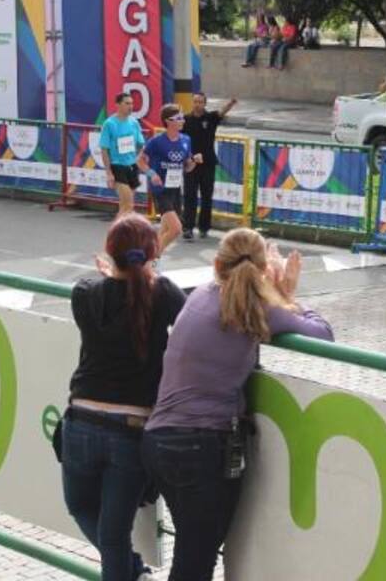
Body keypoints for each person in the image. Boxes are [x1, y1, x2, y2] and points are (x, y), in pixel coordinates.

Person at [142, 229, 334, 580]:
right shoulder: (258, 307)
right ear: (263, 269)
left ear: (217, 264)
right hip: (203, 448)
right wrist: (286, 296)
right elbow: (323, 333)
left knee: (191, 553)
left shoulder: (200, 296)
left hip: (160, 439)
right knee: (194, 562)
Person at [62, 214, 186, 581]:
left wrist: (112, 275)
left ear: (109, 253)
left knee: (81, 508)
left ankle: (134, 572)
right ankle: (132, 572)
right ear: (151, 255)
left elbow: (106, 288)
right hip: (132, 428)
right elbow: (188, 319)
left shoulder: (85, 293)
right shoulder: (162, 293)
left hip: (81, 420)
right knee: (115, 533)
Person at [138, 104, 202, 253]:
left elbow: (187, 167)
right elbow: (140, 161)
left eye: (182, 117)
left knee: (165, 229)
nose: (182, 121)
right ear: (168, 121)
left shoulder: (186, 140)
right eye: (178, 118)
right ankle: (152, 258)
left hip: (175, 189)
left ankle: (149, 256)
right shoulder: (157, 142)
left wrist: (194, 161)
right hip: (160, 190)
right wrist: (152, 174)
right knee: (176, 229)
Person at [183, 93, 237, 241]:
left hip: (208, 164)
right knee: (190, 196)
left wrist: (231, 103)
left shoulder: (210, 118)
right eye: (195, 101)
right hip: (191, 164)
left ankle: (204, 228)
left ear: (205, 103)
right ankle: (188, 228)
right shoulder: (185, 120)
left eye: (200, 102)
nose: (197, 104)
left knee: (207, 197)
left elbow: (221, 113)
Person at [100, 93, 146, 216]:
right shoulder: (109, 124)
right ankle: (120, 227)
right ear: (118, 105)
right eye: (127, 103)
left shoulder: (134, 122)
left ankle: (121, 226)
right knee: (128, 203)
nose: (130, 106)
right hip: (117, 166)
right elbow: (104, 150)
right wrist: (109, 173)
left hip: (132, 166)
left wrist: (137, 159)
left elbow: (141, 144)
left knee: (126, 206)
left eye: (131, 103)